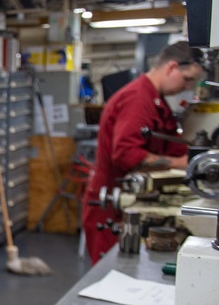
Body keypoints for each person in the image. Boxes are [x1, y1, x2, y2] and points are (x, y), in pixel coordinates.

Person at [82, 41, 205, 263]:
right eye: (187, 79)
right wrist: (179, 163)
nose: (187, 87)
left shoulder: (156, 100)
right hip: (114, 202)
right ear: (171, 67)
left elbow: (173, 145)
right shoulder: (138, 100)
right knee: (116, 273)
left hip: (132, 198)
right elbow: (127, 155)